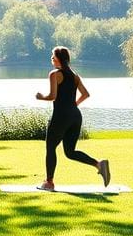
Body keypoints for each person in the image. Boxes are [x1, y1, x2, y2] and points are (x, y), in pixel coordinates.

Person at [34, 46, 110, 190]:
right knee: (70, 152)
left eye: (53, 56)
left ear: (58, 59)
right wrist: (73, 105)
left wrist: (40, 97)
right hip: (75, 116)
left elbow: (53, 96)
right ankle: (99, 164)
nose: (51, 59)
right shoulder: (75, 76)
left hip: (61, 116)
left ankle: (49, 182)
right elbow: (85, 94)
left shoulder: (55, 74)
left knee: (51, 147)